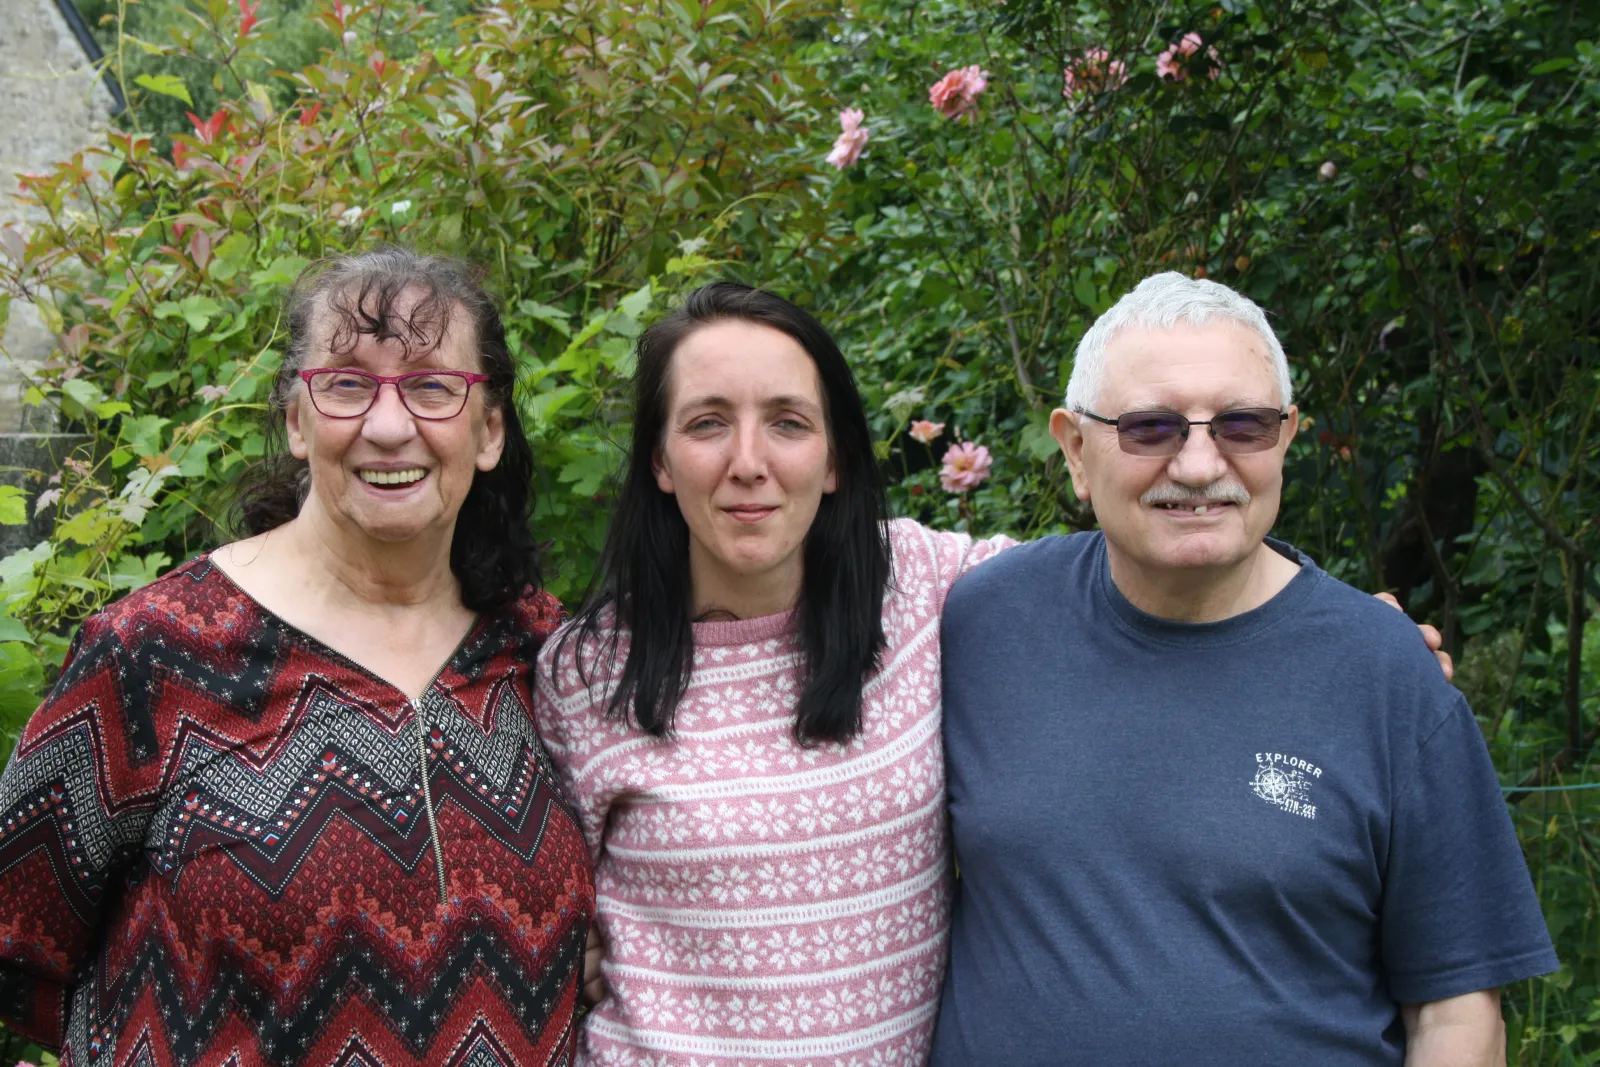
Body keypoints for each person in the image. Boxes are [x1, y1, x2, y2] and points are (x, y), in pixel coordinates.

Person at [532, 281, 1452, 1066]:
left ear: (836, 455)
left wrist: (1331, 633)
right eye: (706, 424)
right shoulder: (583, 674)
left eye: (787, 422)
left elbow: (1160, 560)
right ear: (658, 460)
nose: (749, 463)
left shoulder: (928, 589)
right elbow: (547, 912)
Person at [930, 272, 1557, 1066]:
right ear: (1076, 450)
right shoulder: (983, 621)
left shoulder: (1385, 674)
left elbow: (1456, 1013)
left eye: (1242, 425)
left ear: (1286, 436)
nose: (1199, 465)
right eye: (1150, 428)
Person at [0, 248, 594, 1066]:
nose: (389, 426)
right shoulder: (157, 651)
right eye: (347, 384)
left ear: (488, 429)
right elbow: (16, 938)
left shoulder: (550, 655)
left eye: (432, 386)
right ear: (296, 419)